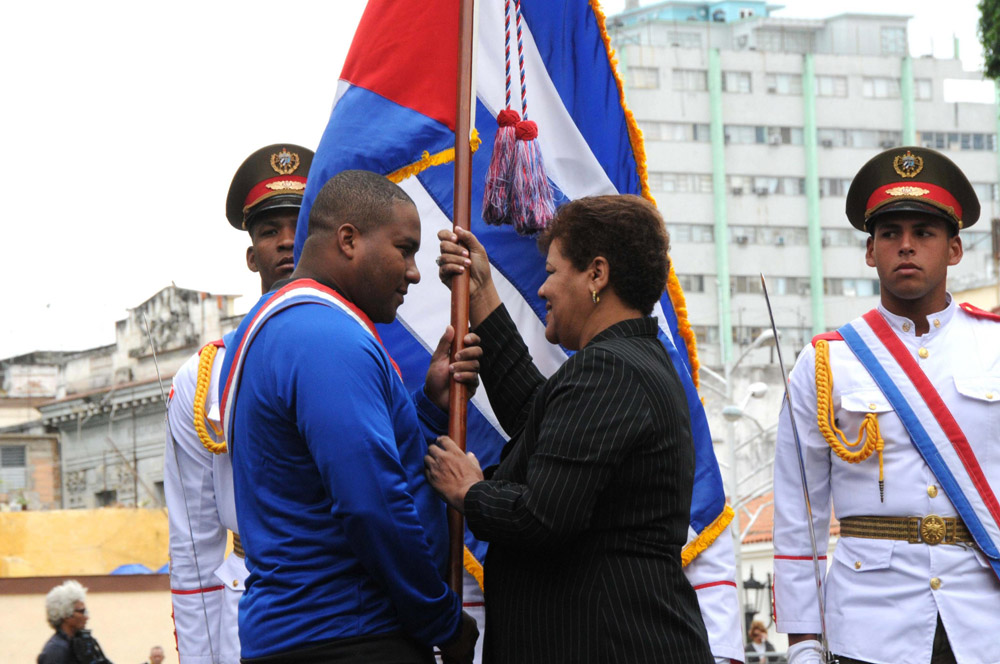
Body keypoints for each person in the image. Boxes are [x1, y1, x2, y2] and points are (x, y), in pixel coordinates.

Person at [425, 194, 714, 663]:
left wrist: (470, 492)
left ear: (596, 274)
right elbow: (539, 419)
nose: (542, 289)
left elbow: (543, 516)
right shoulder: (626, 362)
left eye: (553, 271)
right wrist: (480, 292)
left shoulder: (610, 370)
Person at [219, 169, 480, 663]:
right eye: (404, 249)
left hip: (319, 634)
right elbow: (371, 502)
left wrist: (426, 406)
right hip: (346, 636)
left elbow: (324, 476)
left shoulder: (284, 324)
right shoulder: (324, 335)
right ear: (348, 239)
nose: (414, 272)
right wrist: (441, 619)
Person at [772, 146, 1000, 664]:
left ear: (955, 249)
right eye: (890, 234)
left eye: (924, 232)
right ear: (870, 252)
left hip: (985, 620)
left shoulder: (995, 347)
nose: (906, 246)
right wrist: (804, 639)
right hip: (870, 624)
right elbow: (798, 508)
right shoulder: (827, 361)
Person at [164, 144, 313, 664]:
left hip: (357, 599)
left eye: (299, 223)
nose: (287, 240)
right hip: (254, 606)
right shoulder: (202, 381)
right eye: (270, 230)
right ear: (251, 255)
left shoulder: (381, 350)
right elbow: (194, 544)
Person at [38, 580, 112, 664]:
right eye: (82, 611)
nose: (86, 617)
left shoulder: (81, 645)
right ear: (66, 615)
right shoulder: (56, 650)